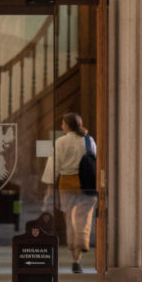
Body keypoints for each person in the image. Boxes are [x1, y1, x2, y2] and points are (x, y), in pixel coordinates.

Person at [48, 113, 98, 273]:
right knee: (84, 221)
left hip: (67, 184)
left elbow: (54, 166)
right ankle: (78, 258)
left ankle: (73, 255)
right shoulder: (89, 140)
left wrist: (49, 187)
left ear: (67, 125)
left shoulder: (61, 142)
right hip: (86, 184)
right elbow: (96, 160)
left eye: (62, 124)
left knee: (70, 219)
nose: (61, 127)